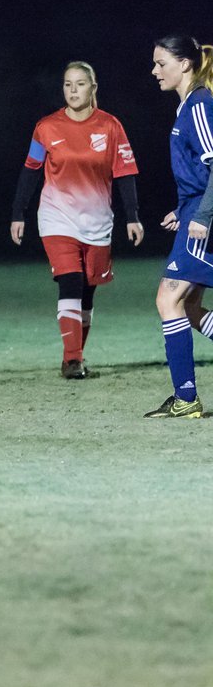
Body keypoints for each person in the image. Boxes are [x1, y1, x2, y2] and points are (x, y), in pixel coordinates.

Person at [10, 62, 142, 380]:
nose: (73, 91)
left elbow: (125, 174)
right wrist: (18, 213)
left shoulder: (111, 126)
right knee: (69, 281)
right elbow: (30, 171)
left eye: (80, 84)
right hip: (56, 217)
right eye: (68, 84)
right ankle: (72, 360)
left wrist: (132, 217)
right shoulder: (46, 127)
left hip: (98, 221)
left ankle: (74, 356)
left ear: (93, 88)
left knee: (87, 292)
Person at [145, 35, 213, 418]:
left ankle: (187, 399)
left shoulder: (200, 104)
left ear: (185, 63)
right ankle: (186, 397)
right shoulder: (186, 106)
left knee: (168, 300)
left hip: (203, 219)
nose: (155, 71)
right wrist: (183, 208)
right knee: (187, 306)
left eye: (161, 63)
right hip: (193, 212)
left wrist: (201, 216)